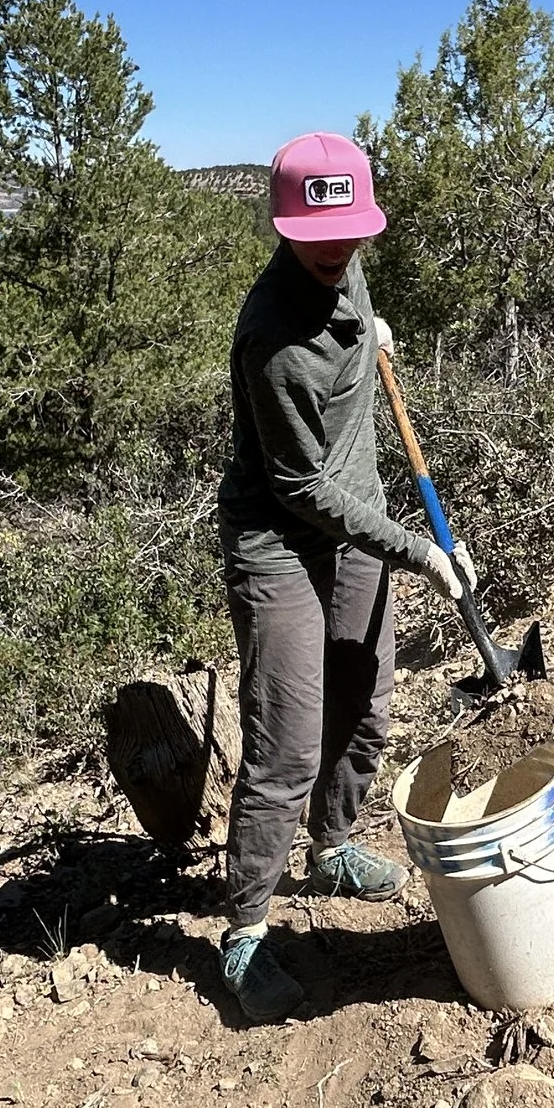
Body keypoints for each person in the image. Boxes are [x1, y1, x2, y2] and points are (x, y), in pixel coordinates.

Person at [212, 132, 472, 1022]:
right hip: (280, 540)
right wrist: (420, 550)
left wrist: (374, 333)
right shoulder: (273, 339)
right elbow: (303, 485)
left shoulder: (345, 265)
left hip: (354, 526)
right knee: (287, 738)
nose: (335, 251)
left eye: (349, 235)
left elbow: (352, 297)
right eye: (317, 237)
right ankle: (244, 932)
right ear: (284, 227)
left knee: (364, 701)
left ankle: (334, 843)